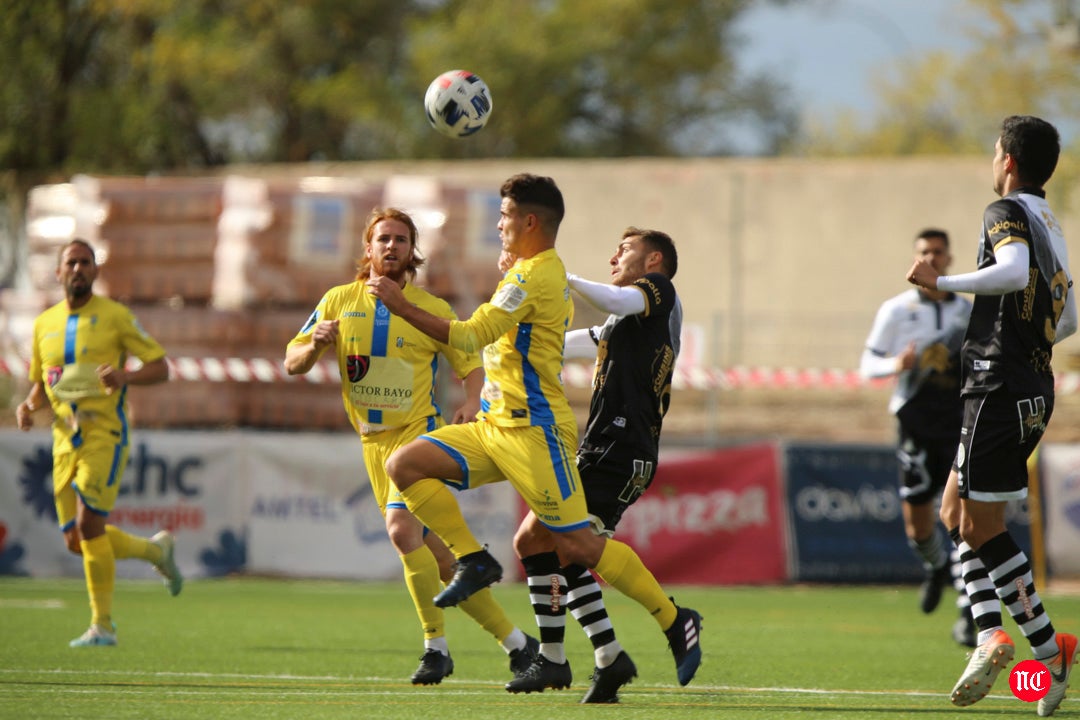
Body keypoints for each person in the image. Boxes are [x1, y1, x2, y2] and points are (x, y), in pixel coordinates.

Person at [367, 174, 702, 699]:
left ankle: (672, 619)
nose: (497, 225)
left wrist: (402, 305)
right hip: (508, 425)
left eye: (503, 216)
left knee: (575, 545)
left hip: (575, 437)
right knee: (409, 469)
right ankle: (567, 644)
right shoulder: (538, 280)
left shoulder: (653, 291)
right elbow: (561, 339)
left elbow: (477, 332)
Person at [284, 207, 538, 685]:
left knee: (402, 532)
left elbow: (470, 363)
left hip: (417, 437)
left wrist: (469, 402)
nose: (392, 247)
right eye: (383, 239)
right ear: (368, 248)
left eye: (401, 239)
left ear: (411, 251)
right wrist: (314, 343)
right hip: (372, 444)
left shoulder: (431, 309)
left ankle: (434, 647)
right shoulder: (338, 300)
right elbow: (291, 362)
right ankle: (518, 644)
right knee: (438, 560)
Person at [907, 115, 1078, 715]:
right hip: (1028, 381)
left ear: (1006, 157)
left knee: (982, 528)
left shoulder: (1003, 211)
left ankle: (1041, 648)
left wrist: (942, 283)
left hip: (998, 384)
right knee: (956, 511)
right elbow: (1071, 316)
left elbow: (1008, 272)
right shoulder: (1050, 221)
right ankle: (1002, 638)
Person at [505, 226, 683, 703]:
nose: (614, 258)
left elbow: (614, 301)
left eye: (624, 250)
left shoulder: (658, 292)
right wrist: (510, 328)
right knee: (558, 547)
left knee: (550, 542)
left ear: (654, 261)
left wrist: (560, 276)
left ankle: (661, 623)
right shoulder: (628, 323)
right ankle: (605, 656)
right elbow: (567, 344)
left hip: (622, 450)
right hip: (607, 448)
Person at [14, 238, 182, 647]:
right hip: (63, 439)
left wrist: (125, 377)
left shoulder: (116, 317)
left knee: (91, 524)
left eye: (86, 262)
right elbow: (42, 382)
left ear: (95, 271)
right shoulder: (43, 324)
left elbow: (160, 367)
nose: (78, 269)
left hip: (105, 433)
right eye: (71, 263)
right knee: (76, 540)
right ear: (58, 273)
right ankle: (156, 553)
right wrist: (28, 405)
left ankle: (102, 627)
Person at [860, 229, 975, 647]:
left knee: (963, 518)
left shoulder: (967, 311)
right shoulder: (897, 309)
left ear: (948, 258)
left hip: (959, 420)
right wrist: (897, 363)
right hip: (914, 421)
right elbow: (866, 365)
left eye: (938, 252)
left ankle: (968, 614)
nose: (931, 258)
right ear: (915, 258)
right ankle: (935, 567)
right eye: (924, 252)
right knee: (919, 524)